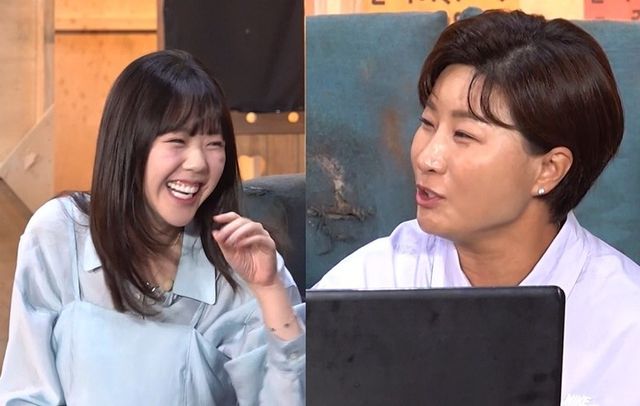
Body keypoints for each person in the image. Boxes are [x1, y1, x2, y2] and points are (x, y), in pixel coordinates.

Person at [314, 9, 640, 406]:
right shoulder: (371, 284)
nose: (427, 158)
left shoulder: (625, 324)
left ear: (549, 169)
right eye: (428, 122)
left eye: (464, 134)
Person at [0, 50, 304, 405]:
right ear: (130, 145)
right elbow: (26, 392)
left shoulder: (242, 263)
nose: (198, 163)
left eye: (213, 144)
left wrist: (269, 290)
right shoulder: (60, 233)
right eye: (178, 141)